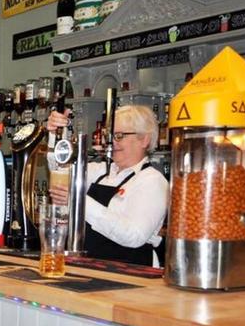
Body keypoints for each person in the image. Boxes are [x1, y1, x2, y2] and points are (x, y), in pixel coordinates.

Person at [47, 105, 168, 266]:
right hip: (90, 267)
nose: (110, 142)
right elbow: (59, 170)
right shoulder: (101, 171)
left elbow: (134, 236)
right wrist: (55, 135)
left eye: (119, 136)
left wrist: (79, 201)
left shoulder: (152, 180)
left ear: (144, 139)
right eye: (108, 135)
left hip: (130, 274)